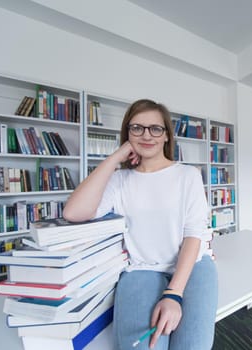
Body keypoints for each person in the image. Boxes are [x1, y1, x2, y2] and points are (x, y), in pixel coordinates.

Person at [63, 99, 218, 350]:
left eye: (155, 129)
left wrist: (173, 294)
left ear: (166, 135)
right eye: (137, 128)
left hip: (193, 265)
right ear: (127, 133)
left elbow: (193, 235)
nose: (147, 135)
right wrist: (116, 157)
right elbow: (73, 212)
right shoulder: (119, 180)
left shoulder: (188, 175)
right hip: (142, 268)